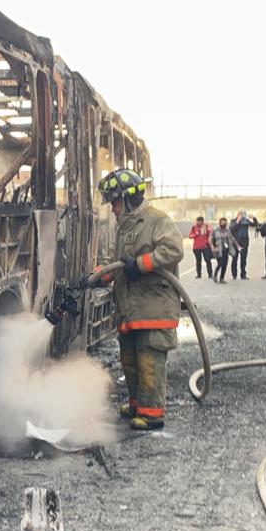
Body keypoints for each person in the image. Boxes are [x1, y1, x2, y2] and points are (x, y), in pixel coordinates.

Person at [92, 168, 183, 431]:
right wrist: (103, 274)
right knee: (130, 361)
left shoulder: (156, 220)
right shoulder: (123, 229)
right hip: (131, 310)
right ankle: (137, 405)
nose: (114, 210)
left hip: (153, 308)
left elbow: (173, 250)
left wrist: (141, 264)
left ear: (130, 198)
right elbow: (119, 263)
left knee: (149, 362)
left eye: (116, 203)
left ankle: (152, 413)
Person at [210, 217, 238, 284]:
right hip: (218, 250)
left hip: (225, 250)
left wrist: (237, 245)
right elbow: (210, 238)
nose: (223, 223)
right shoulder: (215, 230)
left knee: (225, 265)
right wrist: (212, 247)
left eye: (225, 222)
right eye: (222, 222)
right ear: (220, 223)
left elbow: (231, 238)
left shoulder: (227, 230)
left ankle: (222, 278)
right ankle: (215, 275)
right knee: (220, 263)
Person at [229, 211, 256, 280]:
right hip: (236, 243)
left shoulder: (246, 221)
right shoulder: (233, 221)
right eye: (241, 214)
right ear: (238, 214)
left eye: (244, 214)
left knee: (243, 260)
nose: (243, 215)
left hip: (244, 243)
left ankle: (243, 274)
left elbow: (254, 225)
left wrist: (254, 218)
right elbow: (231, 228)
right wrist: (238, 220)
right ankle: (234, 275)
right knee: (234, 259)